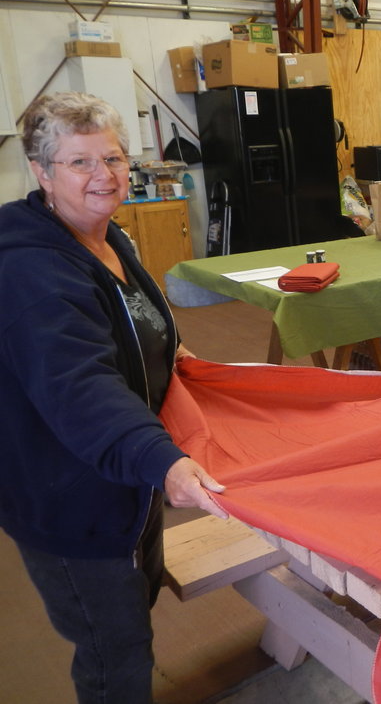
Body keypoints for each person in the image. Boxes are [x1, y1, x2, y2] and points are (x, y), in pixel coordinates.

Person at [0, 91, 228, 704]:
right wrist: (164, 462)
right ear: (42, 174)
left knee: (135, 605)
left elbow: (131, 322)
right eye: (80, 163)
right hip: (70, 496)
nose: (105, 176)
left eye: (115, 158)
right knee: (114, 649)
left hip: (124, 479)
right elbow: (81, 388)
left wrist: (169, 354)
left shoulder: (103, 234)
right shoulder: (32, 271)